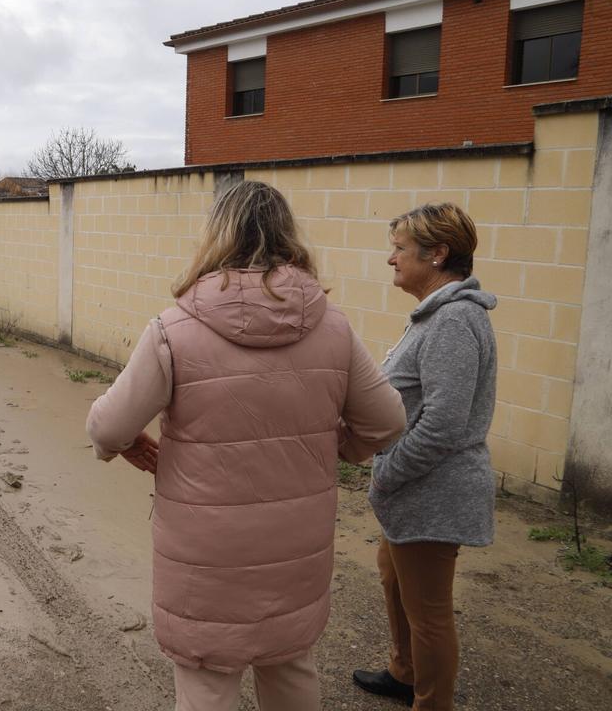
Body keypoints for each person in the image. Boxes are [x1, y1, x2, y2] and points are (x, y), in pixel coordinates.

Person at [86, 180, 407, 711]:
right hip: (296, 544)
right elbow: (388, 421)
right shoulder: (334, 328)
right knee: (289, 663)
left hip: (205, 553)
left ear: (217, 236)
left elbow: (106, 426)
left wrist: (122, 445)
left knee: (207, 676)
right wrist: (337, 449)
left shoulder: (174, 330)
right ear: (287, 235)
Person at [352, 202, 497, 710]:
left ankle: (431, 702)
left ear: (437, 254)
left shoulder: (454, 320)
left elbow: (443, 424)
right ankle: (405, 671)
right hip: (414, 494)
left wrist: (387, 472)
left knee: (429, 612)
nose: (391, 259)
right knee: (393, 573)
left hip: (434, 492)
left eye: (399, 249)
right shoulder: (434, 316)